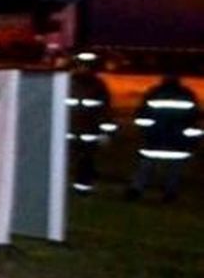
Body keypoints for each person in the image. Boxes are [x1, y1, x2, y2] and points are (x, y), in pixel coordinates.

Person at [126, 74, 200, 202]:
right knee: (174, 169)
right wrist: (191, 140)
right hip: (177, 140)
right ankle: (170, 193)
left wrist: (145, 132)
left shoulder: (154, 93)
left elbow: (142, 115)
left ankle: (136, 190)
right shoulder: (187, 95)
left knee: (146, 166)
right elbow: (194, 119)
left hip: (155, 138)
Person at [65, 52, 115, 194]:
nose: (84, 69)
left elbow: (106, 111)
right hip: (69, 132)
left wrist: (107, 133)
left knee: (85, 163)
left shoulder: (99, 86)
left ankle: (82, 188)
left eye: (87, 66)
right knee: (64, 162)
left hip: (88, 133)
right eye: (81, 65)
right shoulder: (67, 83)